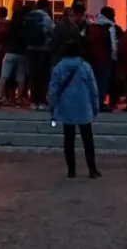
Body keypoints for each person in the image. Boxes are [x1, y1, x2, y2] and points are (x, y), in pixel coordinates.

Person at [48, 40, 101, 179]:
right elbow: (93, 89)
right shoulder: (85, 67)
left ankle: (71, 170)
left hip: (66, 107)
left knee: (69, 139)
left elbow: (53, 91)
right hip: (84, 107)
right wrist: (95, 107)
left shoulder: (58, 68)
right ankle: (92, 169)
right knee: (88, 139)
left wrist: (52, 107)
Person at [84, 7, 119, 112]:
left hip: (91, 59)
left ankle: (91, 102)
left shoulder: (91, 26)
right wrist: (114, 58)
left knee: (92, 82)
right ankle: (99, 103)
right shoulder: (110, 27)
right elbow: (113, 46)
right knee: (102, 83)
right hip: (105, 59)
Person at [0, 8, 29, 108]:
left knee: (4, 76)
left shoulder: (10, 26)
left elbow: (3, 38)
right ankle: (18, 99)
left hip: (10, 52)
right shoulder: (24, 27)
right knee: (20, 77)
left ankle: (0, 96)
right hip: (21, 54)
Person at [25, 0, 54, 111]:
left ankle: (33, 100)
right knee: (43, 76)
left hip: (30, 49)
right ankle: (42, 101)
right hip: (43, 49)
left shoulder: (29, 16)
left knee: (33, 76)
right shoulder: (46, 18)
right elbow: (51, 31)